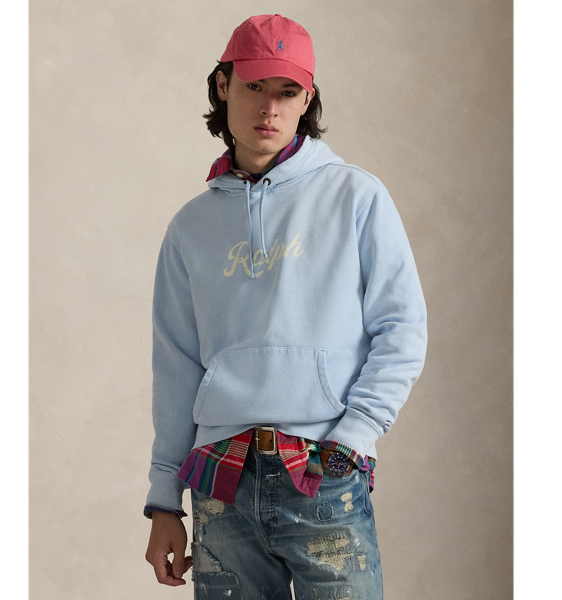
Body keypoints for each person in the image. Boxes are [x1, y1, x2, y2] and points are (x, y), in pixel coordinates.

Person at [144, 14, 427, 599]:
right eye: (254, 86)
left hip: (322, 470)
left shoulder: (356, 196)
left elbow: (402, 328)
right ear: (223, 86)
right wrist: (164, 500)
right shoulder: (190, 227)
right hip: (220, 481)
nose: (269, 108)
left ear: (307, 100)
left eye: (287, 91)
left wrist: (354, 437)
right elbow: (175, 369)